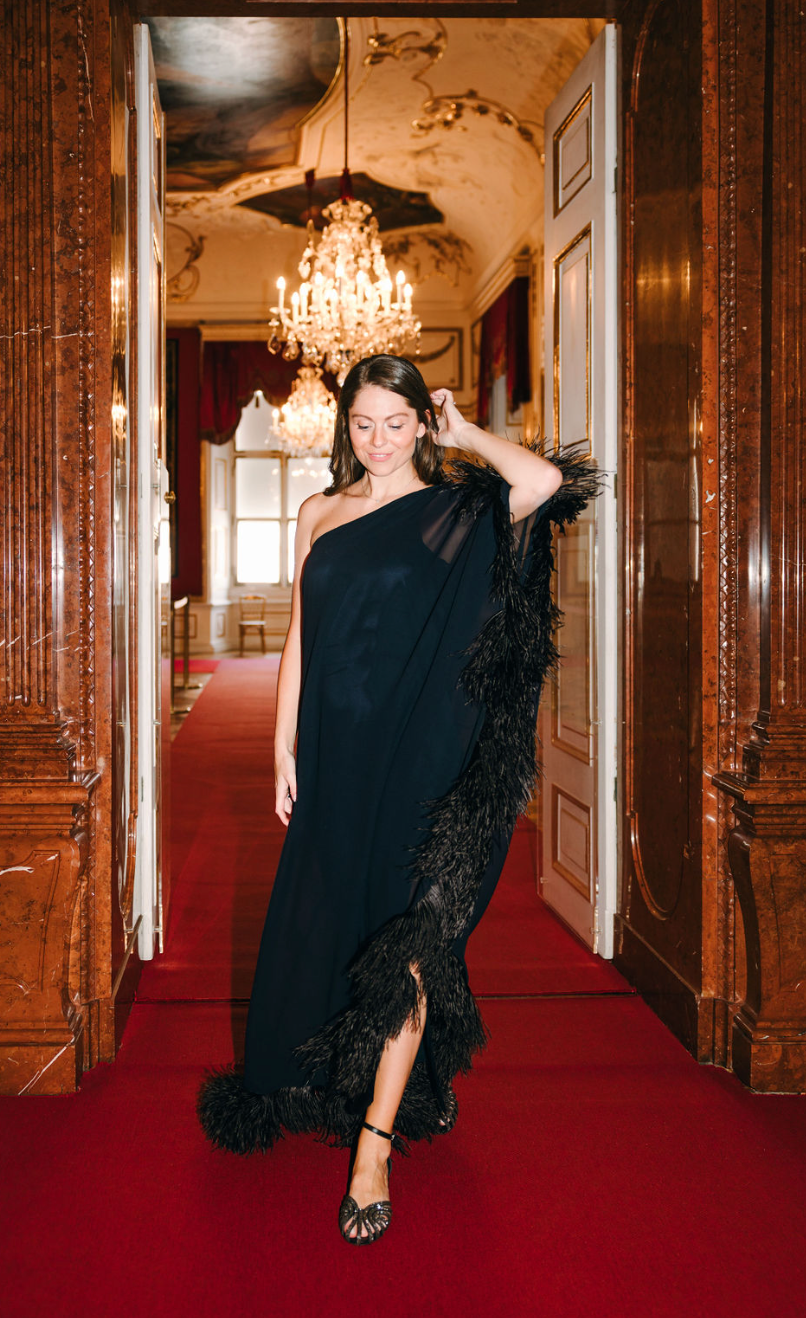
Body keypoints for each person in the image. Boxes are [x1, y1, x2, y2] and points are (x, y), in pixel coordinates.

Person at [198, 354, 600, 1245]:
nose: (377, 440)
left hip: (422, 750)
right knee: (338, 914)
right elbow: (302, 634)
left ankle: (374, 1146)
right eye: (362, 423)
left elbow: (542, 483)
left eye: (396, 422)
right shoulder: (319, 512)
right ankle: (396, 1078)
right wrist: (281, 745)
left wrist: (467, 435)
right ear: (345, 427)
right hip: (336, 750)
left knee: (412, 931)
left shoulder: (454, 513)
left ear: (422, 422)